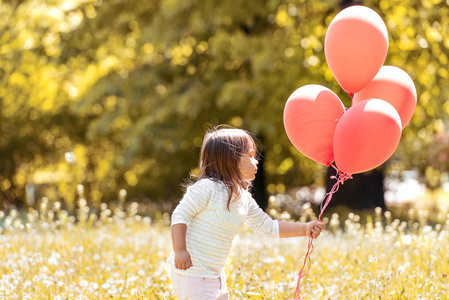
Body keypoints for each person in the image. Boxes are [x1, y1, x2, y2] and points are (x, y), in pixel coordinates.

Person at [168, 125, 325, 300]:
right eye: (249, 155)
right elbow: (180, 215)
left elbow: (269, 227)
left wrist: (305, 229)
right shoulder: (207, 188)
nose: (256, 160)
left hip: (215, 275)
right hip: (191, 273)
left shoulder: (243, 198)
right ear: (229, 159)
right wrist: (180, 250)